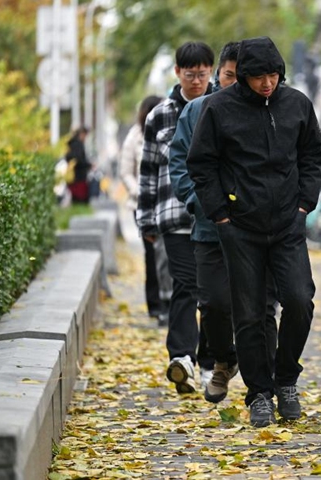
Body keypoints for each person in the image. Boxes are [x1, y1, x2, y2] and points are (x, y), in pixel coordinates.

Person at [187, 36, 321, 427]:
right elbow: (202, 164)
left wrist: (303, 205)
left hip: (288, 224)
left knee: (300, 301)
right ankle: (259, 393)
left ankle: (285, 380)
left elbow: (313, 154)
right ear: (243, 76)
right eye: (259, 76)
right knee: (247, 315)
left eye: (273, 75)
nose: (267, 83)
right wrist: (221, 216)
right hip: (239, 227)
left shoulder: (297, 104)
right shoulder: (218, 108)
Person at [169, 41, 279, 404]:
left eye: (242, 76)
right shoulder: (200, 110)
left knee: (261, 307)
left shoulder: (270, 110)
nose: (235, 83)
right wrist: (202, 203)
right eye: (229, 75)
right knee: (214, 303)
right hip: (210, 228)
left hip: (258, 230)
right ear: (219, 75)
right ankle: (224, 359)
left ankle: (264, 382)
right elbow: (182, 164)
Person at [136, 41, 216, 394]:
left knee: (213, 293)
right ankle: (182, 357)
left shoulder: (221, 108)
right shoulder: (160, 115)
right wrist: (147, 219)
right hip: (174, 216)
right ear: (177, 73)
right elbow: (149, 169)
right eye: (190, 74)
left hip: (215, 217)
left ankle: (211, 360)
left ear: (210, 72)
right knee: (185, 285)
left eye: (202, 74)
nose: (196, 81)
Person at [119, 95, 173, 326]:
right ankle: (156, 304)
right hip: (141, 203)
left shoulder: (168, 131)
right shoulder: (134, 137)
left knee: (168, 254)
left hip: (165, 202)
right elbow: (126, 171)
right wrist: (138, 191)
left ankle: (170, 302)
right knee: (151, 255)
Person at [65, 127, 92, 204]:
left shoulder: (71, 144)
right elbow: (79, 159)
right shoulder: (78, 145)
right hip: (79, 176)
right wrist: (88, 165)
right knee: (80, 198)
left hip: (73, 175)